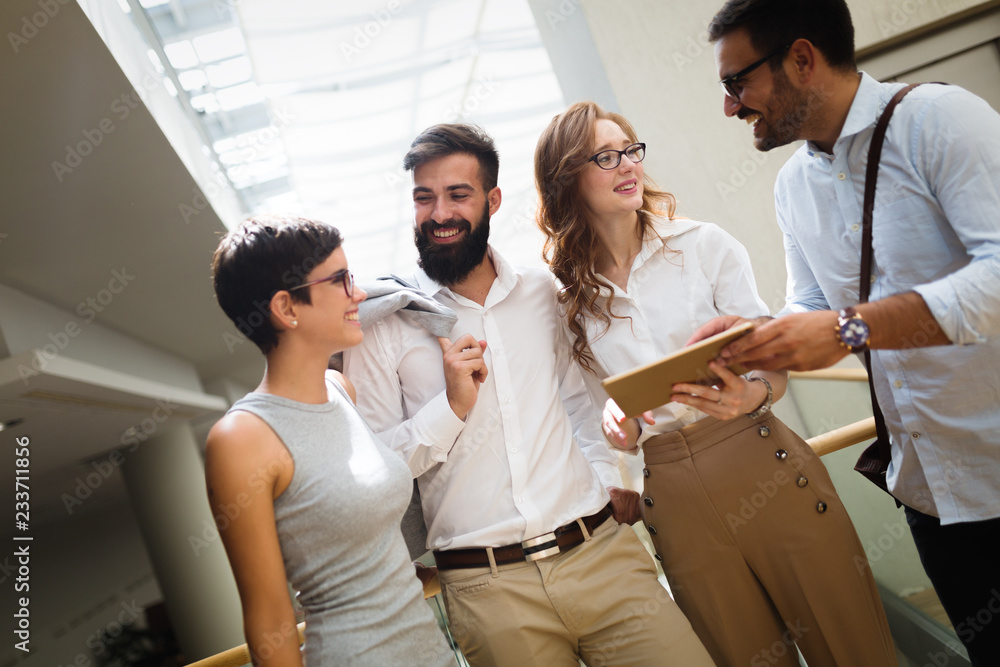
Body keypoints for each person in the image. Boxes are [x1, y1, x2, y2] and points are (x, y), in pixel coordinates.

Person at [534, 101, 897, 667]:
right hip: (674, 501)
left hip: (762, 460)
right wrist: (618, 427)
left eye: (630, 149)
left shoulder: (704, 245)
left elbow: (770, 362)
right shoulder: (570, 303)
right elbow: (600, 418)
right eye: (604, 157)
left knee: (852, 649)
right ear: (566, 181)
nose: (627, 165)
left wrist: (753, 393)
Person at [342, 124, 714, 666]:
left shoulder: (543, 293)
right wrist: (449, 409)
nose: (439, 213)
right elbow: (380, 475)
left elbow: (580, 405)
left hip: (602, 556)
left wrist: (610, 480)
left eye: (458, 195)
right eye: (424, 198)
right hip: (489, 595)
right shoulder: (384, 327)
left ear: (492, 200)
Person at [702, 1, 1000, 663]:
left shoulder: (940, 121)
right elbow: (808, 306)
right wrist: (752, 337)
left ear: (803, 59)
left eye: (736, 83)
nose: (731, 107)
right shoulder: (791, 188)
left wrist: (848, 327)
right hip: (929, 493)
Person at [205, 215, 456, 666]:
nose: (358, 294)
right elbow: (268, 618)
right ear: (286, 308)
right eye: (340, 281)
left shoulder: (342, 391)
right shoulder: (241, 439)